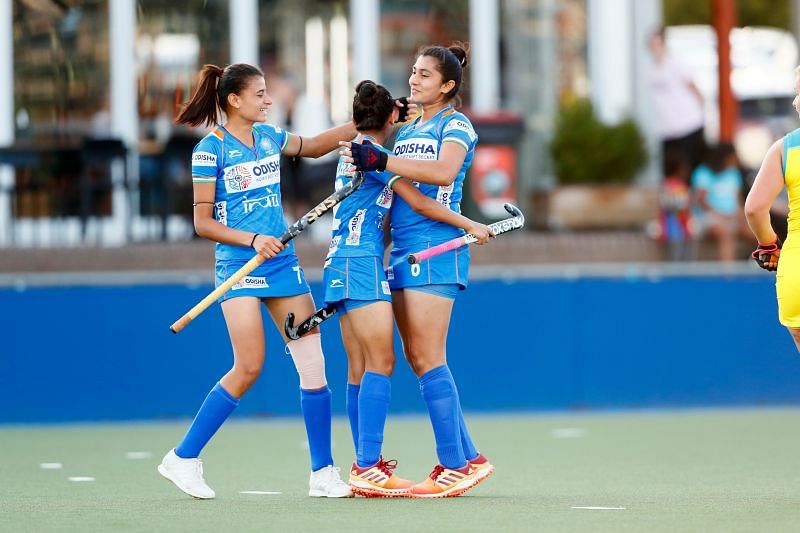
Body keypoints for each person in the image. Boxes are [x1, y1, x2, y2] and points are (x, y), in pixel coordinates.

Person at [157, 63, 355, 499]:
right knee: (248, 366)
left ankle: (323, 472)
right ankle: (183, 458)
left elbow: (319, 144)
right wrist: (252, 239)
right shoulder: (210, 150)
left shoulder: (270, 137)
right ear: (234, 100)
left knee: (313, 364)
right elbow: (202, 221)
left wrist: (367, 121)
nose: (269, 100)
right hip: (239, 267)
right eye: (261, 94)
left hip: (282, 266)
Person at [340, 42, 495, 498]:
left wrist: (383, 160)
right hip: (401, 252)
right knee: (418, 358)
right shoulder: (407, 127)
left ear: (448, 86)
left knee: (429, 358)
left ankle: (453, 466)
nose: (414, 78)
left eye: (425, 75)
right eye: (413, 71)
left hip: (437, 249)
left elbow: (445, 173)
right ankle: (469, 458)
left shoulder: (456, 124)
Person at [744, 65, 800, 352]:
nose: (794, 101)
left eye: (798, 92)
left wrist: (768, 245)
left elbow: (754, 208)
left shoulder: (785, 148)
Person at [648, 28, 707, 175]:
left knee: (691, 165)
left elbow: (693, 86)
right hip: (668, 128)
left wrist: (701, 110)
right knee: (671, 168)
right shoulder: (651, 68)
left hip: (689, 123)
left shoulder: (676, 63)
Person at [691, 143, 745, 262]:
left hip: (732, 217)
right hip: (710, 218)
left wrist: (741, 216)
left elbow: (739, 200)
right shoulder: (703, 172)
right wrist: (722, 215)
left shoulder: (733, 173)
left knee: (756, 232)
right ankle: (728, 276)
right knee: (725, 234)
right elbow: (702, 202)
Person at [658, 150, 693, 261]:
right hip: (674, 227)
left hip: (680, 226)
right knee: (676, 256)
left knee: (683, 254)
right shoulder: (673, 186)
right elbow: (678, 208)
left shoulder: (672, 185)